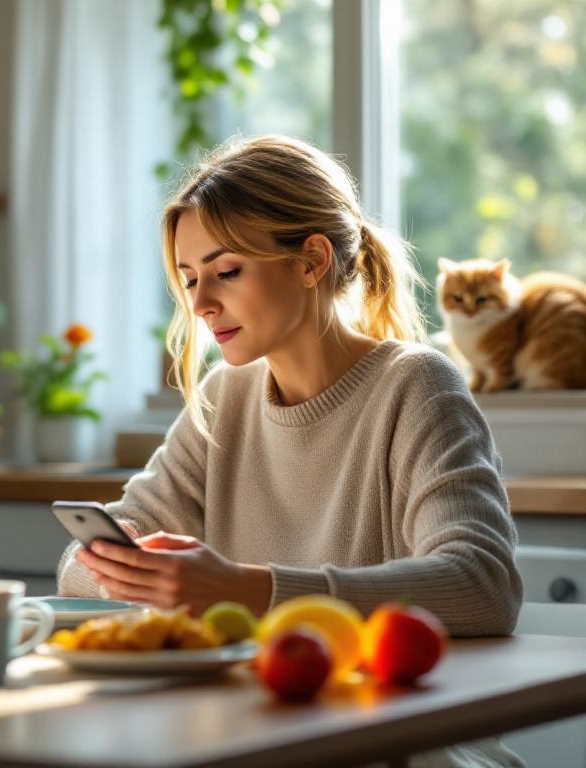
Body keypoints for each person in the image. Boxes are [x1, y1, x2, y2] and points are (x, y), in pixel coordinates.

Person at [57, 136, 523, 766]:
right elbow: (79, 565)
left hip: (403, 745)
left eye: (226, 272)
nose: (199, 304)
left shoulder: (416, 386)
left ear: (310, 262)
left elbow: (483, 585)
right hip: (262, 735)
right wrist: (134, 569)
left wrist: (251, 590)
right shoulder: (228, 395)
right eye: (191, 279)